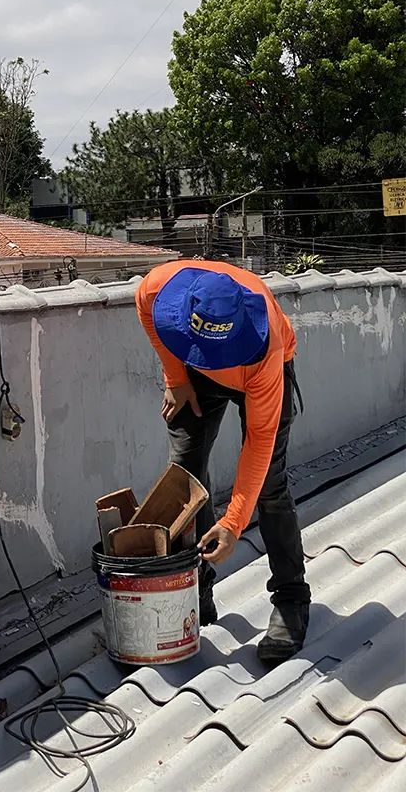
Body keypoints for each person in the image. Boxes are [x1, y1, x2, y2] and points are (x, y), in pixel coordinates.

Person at [136, 260, 310, 665]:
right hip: (192, 372)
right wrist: (176, 378)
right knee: (184, 478)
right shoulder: (159, 287)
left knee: (269, 486)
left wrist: (233, 523)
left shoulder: (265, 349)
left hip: (257, 373)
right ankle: (196, 591)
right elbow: (144, 307)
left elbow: (259, 442)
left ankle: (291, 600)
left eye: (219, 354)